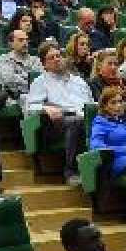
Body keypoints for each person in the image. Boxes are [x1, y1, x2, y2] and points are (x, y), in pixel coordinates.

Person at [26, 41, 95, 184]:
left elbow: (91, 102)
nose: (57, 59)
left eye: (58, 56)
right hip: (57, 123)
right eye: (51, 57)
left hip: (85, 116)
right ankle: (71, 172)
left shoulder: (79, 81)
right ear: (44, 64)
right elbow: (29, 107)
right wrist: (45, 108)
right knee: (76, 122)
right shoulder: (40, 81)